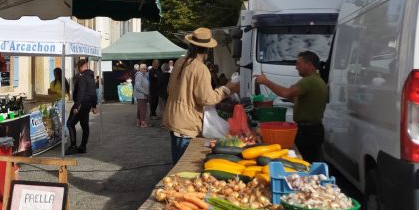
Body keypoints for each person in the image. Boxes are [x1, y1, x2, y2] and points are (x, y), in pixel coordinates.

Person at [163, 28, 240, 164]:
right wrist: (227, 89)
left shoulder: (180, 62)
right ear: (208, 49)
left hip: (173, 118)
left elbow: (170, 88)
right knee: (183, 165)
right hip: (186, 123)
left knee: (177, 163)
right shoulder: (200, 68)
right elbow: (206, 99)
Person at [256, 50, 328, 161]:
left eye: (298, 64)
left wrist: (266, 82)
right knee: (312, 160)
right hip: (314, 129)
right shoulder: (318, 81)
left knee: (305, 162)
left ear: (308, 65)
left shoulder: (309, 81)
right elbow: (298, 99)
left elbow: (286, 93)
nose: (296, 67)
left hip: (308, 132)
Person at [66, 58, 97, 154]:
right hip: (87, 105)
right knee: (84, 125)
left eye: (78, 67)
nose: (77, 69)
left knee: (70, 123)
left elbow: (81, 93)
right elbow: (93, 93)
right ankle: (83, 146)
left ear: (81, 67)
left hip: (81, 104)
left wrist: (76, 106)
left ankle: (73, 146)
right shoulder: (91, 77)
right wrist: (94, 105)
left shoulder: (83, 78)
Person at [133, 63, 150, 127]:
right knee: (143, 109)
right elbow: (138, 86)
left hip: (142, 95)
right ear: (141, 69)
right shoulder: (139, 75)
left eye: (146, 69)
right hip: (141, 95)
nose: (146, 70)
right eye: (144, 68)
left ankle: (139, 122)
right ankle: (143, 123)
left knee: (140, 109)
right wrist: (146, 92)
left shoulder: (143, 75)